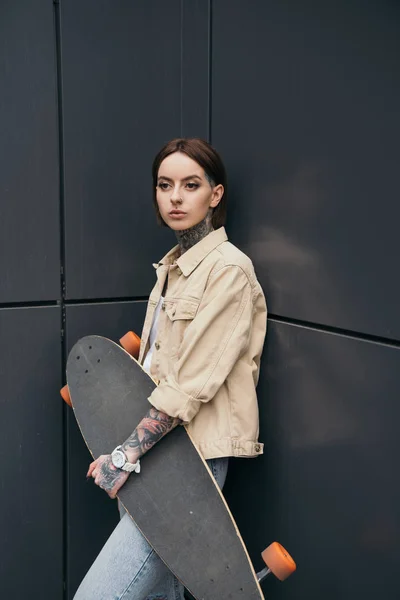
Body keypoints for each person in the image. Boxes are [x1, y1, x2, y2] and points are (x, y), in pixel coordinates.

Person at [74, 138, 267, 600]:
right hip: (157, 453)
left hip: (189, 460)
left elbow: (189, 387)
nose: (175, 197)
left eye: (191, 184)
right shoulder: (172, 268)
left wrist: (123, 456)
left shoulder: (229, 271)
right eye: (165, 185)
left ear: (215, 195)